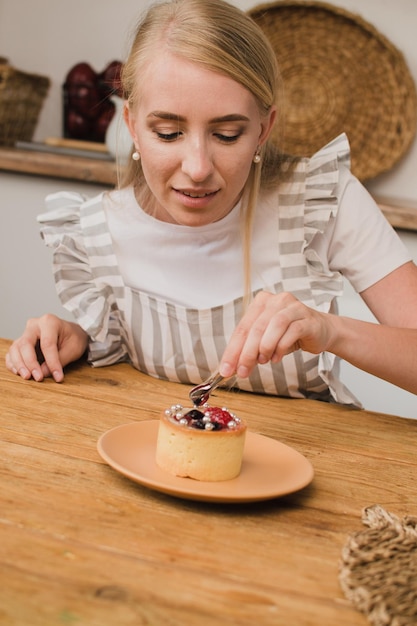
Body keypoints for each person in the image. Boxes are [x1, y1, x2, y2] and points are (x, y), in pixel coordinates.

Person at [5, 0, 417, 405]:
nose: (198, 168)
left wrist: (330, 331)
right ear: (131, 125)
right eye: (168, 133)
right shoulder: (94, 233)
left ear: (263, 128)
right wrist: (77, 339)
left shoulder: (323, 201)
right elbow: (123, 371)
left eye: (227, 135)